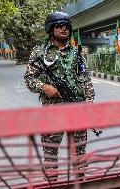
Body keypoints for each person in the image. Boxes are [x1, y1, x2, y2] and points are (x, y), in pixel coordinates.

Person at [24, 12, 95, 181]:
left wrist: (89, 102)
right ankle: (52, 181)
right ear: (51, 29)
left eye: (66, 26)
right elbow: (29, 78)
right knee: (50, 152)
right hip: (52, 110)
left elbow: (85, 79)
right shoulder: (40, 52)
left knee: (79, 152)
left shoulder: (76, 52)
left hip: (77, 108)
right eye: (59, 25)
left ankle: (81, 181)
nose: (64, 28)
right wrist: (44, 87)